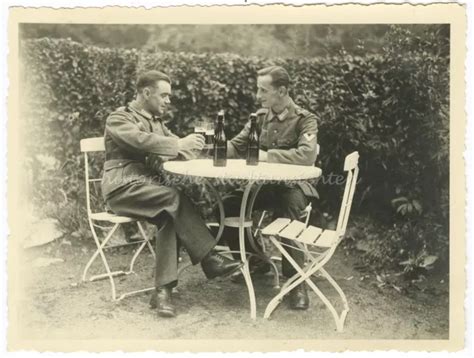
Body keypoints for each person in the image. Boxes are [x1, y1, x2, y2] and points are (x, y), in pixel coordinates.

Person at [101, 70, 242, 318]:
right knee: (173, 198)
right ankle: (209, 257)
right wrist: (178, 144)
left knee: (170, 216)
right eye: (164, 95)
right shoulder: (119, 118)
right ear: (146, 93)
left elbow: (176, 148)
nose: (168, 101)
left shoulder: (158, 124)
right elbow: (139, 140)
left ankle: (163, 292)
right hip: (122, 187)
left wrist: (195, 148)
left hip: (150, 190)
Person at [225, 65, 319, 310]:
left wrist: (269, 156)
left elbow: (307, 155)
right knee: (227, 206)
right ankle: (256, 262)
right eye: (258, 89)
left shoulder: (304, 119)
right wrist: (202, 146)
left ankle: (296, 282)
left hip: (293, 187)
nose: (258, 95)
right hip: (262, 187)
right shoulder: (258, 118)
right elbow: (235, 146)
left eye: (263, 90)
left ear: (282, 91)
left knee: (289, 209)